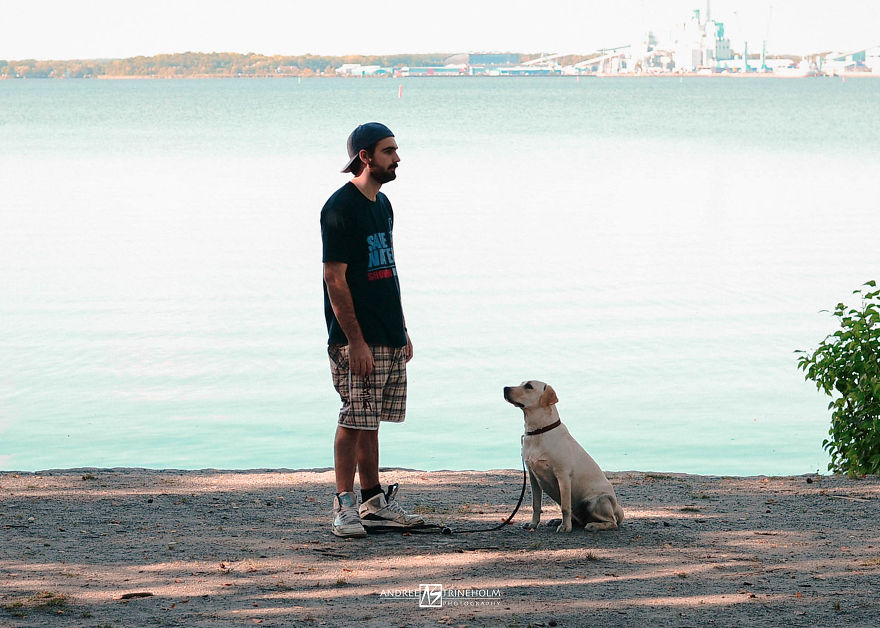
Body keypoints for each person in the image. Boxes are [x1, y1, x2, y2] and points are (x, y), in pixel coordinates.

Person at [320, 122, 423, 538]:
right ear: (365, 156)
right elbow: (335, 279)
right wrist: (355, 341)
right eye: (388, 151)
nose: (397, 157)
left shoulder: (383, 204)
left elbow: (387, 272)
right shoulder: (339, 208)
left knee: (371, 420)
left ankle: (373, 501)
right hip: (356, 340)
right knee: (352, 418)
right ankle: (344, 504)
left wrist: (401, 329)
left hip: (388, 334)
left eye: (396, 150)